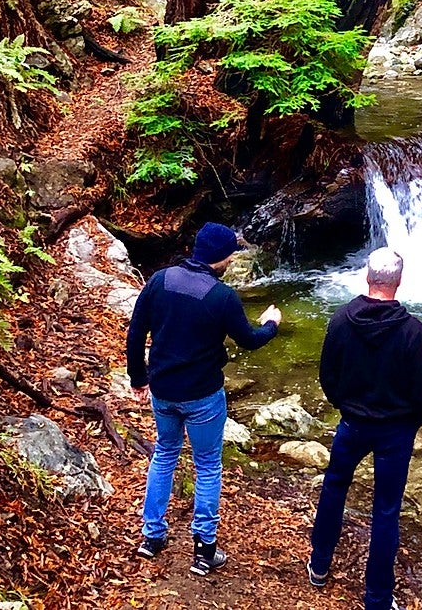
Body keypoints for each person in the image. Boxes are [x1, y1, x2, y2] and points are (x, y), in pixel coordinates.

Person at [126, 221, 281, 577]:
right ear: (222, 257)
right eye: (230, 254)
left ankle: (151, 537)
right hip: (203, 396)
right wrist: (271, 323)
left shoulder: (160, 280)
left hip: (163, 390)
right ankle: (204, 550)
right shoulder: (221, 296)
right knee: (208, 465)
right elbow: (250, 340)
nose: (231, 260)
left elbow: (136, 331)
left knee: (164, 455)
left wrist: (138, 377)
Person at [308, 248, 422, 610]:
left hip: (352, 423)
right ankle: (377, 599)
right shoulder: (412, 330)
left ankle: (319, 565)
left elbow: (327, 375)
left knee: (334, 488)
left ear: (368, 276)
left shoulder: (341, 320)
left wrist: (344, 405)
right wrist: (414, 420)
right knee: (385, 510)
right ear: (398, 281)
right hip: (395, 430)